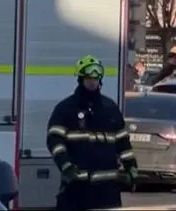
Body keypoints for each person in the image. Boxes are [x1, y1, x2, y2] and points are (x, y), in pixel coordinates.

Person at [46, 55, 136, 211]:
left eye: (96, 77)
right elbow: (54, 140)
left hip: (108, 191)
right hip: (77, 189)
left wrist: (131, 168)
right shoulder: (66, 108)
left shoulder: (110, 108)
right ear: (81, 79)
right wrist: (66, 165)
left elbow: (123, 143)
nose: (92, 81)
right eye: (88, 77)